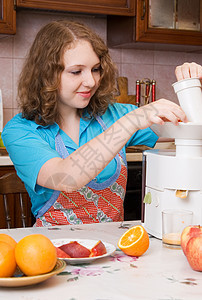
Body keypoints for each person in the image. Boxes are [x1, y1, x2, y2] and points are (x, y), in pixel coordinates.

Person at [1, 20, 200, 227]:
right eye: (76, 72)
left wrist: (192, 87)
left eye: (95, 69)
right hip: (52, 250)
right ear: (46, 75)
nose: (91, 81)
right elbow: (66, 177)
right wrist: (130, 122)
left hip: (115, 249)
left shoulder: (113, 115)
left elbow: (191, 126)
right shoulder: (20, 130)